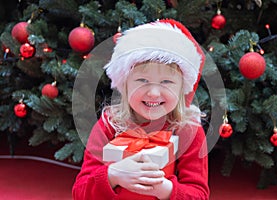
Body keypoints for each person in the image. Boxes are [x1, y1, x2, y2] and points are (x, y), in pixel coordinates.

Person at [72, 19, 210, 200]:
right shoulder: (109, 124)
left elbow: (199, 195)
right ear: (125, 84)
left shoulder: (188, 130)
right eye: (142, 81)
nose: (153, 93)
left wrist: (163, 189)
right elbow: (80, 193)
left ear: (181, 88)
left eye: (166, 82)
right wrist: (113, 175)